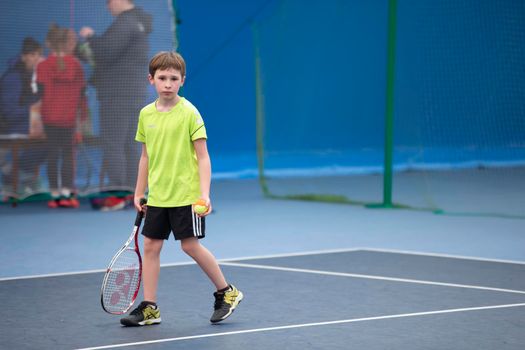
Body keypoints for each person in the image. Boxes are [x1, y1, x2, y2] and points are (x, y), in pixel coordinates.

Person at [120, 51, 243, 326]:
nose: (167, 83)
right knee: (150, 246)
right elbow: (145, 157)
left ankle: (227, 292)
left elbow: (203, 156)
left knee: (189, 245)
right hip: (158, 196)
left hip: (186, 195)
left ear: (182, 81)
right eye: (162, 78)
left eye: (173, 78)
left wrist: (204, 193)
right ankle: (150, 308)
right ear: (151, 80)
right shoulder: (145, 114)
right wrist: (139, 192)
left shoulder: (189, 112)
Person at [79, 0, 152, 210]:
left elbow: (105, 52)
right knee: (130, 143)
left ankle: (118, 194)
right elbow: (113, 56)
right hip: (133, 93)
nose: (107, 6)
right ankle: (133, 194)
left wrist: (90, 37)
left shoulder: (125, 23)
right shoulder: (138, 22)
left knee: (113, 143)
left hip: (117, 95)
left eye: (109, 1)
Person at [37, 24, 86, 208]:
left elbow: (39, 93)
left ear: (49, 43)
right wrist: (81, 119)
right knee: (67, 155)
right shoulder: (76, 65)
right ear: (66, 43)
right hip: (69, 118)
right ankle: (66, 193)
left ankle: (55, 194)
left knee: (52, 155)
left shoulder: (42, 66)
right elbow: (82, 94)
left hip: (49, 118)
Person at [0, 37, 44, 194]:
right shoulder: (13, 77)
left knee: (56, 137)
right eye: (31, 55)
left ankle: (23, 175)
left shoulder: (41, 77)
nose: (35, 58)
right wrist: (33, 110)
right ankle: (18, 176)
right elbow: (9, 112)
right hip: (9, 127)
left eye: (37, 55)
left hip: (30, 126)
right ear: (23, 56)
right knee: (44, 138)